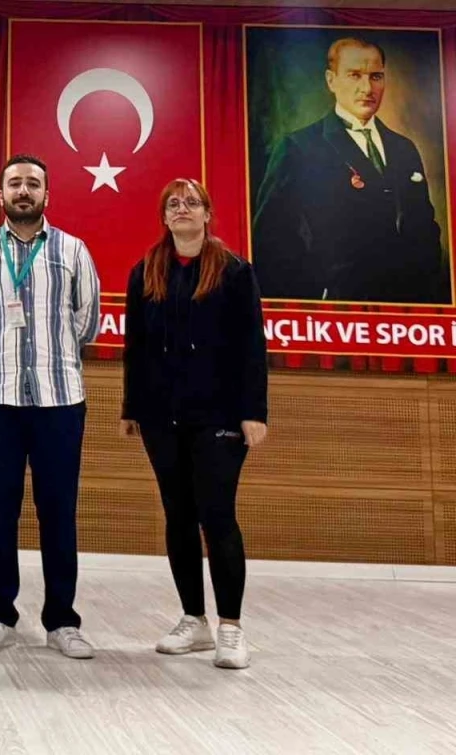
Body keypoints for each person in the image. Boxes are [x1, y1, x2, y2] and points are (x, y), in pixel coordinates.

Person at [0, 154, 100, 660]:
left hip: (60, 401)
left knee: (58, 511)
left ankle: (62, 621)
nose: (23, 191)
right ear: (0, 195)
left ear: (46, 194)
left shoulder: (73, 250)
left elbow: (87, 320)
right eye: (14, 183)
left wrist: (52, 353)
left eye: (32, 184)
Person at [122, 178, 268, 670]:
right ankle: (194, 619)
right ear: (164, 216)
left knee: (217, 514)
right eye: (173, 203)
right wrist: (131, 408)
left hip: (220, 416)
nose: (182, 209)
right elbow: (136, 347)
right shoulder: (145, 271)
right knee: (178, 515)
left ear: (207, 213)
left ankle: (230, 626)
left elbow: (252, 347)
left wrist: (254, 412)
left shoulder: (235, 272)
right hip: (161, 416)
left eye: (191, 202)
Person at [252, 36, 447, 304]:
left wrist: (425, 289)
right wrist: (314, 297)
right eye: (355, 75)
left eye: (376, 76)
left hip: (405, 307)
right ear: (331, 80)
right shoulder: (299, 147)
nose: (367, 88)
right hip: (336, 306)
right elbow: (271, 237)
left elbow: (425, 227)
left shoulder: (404, 147)